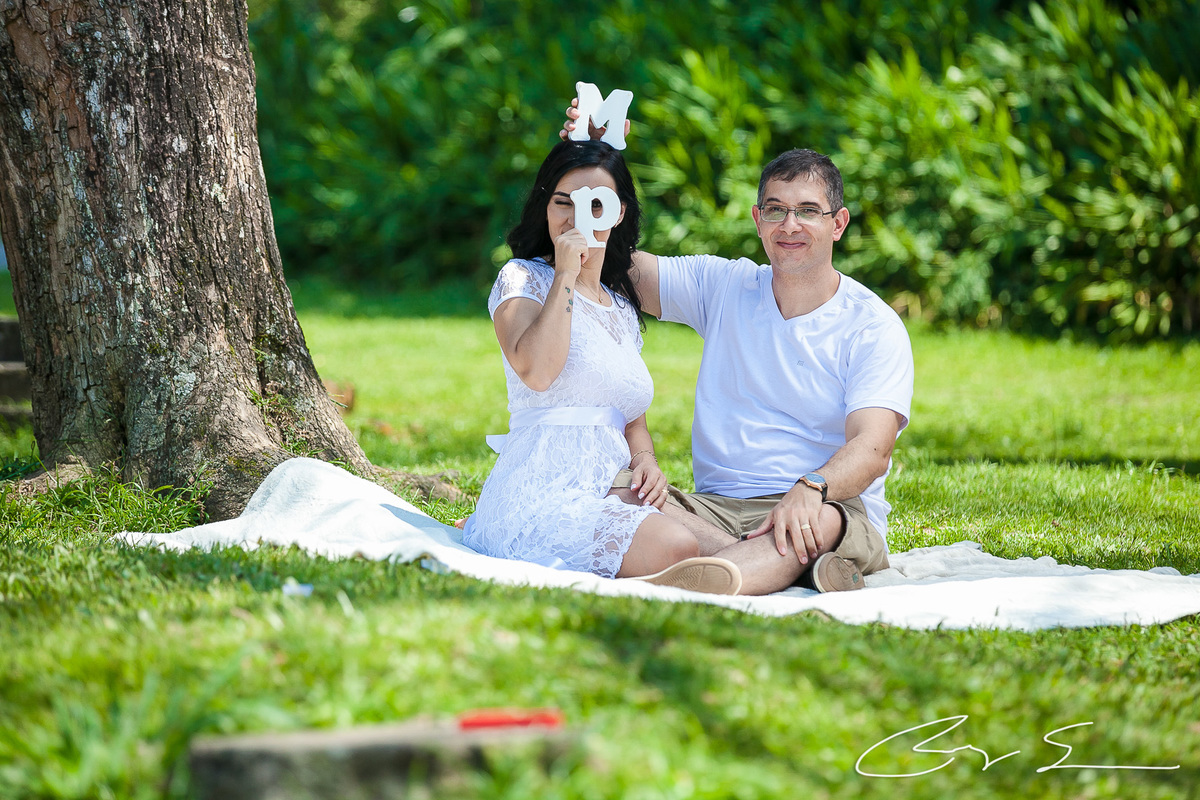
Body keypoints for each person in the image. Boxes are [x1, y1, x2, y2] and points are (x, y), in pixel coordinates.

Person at [564, 107, 914, 596]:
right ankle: (795, 569)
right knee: (620, 495)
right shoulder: (725, 286)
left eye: (808, 211)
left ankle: (714, 575)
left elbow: (873, 449)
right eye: (775, 209)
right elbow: (609, 266)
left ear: (838, 223)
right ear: (757, 219)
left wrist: (810, 488)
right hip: (716, 505)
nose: (789, 224)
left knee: (815, 525)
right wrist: (591, 162)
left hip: (829, 504)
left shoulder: (873, 325)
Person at [461, 139, 742, 595]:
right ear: (545, 208)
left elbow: (632, 416)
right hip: (545, 488)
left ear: (618, 213)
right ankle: (674, 572)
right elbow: (537, 370)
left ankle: (771, 567)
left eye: (594, 204)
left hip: (614, 483)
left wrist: (646, 460)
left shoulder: (621, 307)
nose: (575, 218)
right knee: (675, 542)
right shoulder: (522, 278)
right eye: (561, 203)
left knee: (710, 538)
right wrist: (566, 274)